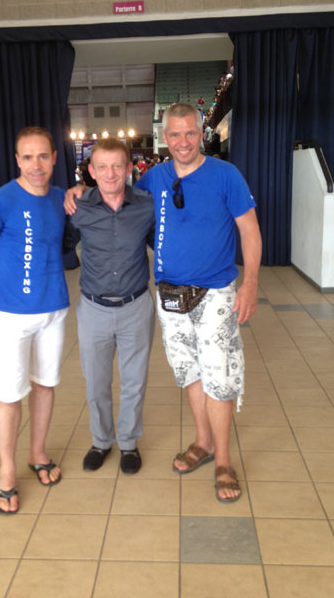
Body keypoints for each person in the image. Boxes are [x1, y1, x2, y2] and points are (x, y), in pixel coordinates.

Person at [136, 103, 262, 503]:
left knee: (219, 377)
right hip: (170, 296)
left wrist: (250, 284)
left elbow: (250, 231)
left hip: (216, 293)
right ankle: (203, 442)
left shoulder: (226, 175)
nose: (183, 142)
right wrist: (77, 192)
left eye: (190, 133)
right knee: (188, 371)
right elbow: (116, 199)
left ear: (202, 133)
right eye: (175, 134)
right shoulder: (153, 178)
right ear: (164, 137)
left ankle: (223, 459)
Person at [0, 126, 69, 515]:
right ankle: (7, 472)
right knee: (9, 394)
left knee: (45, 386)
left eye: (43, 156)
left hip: (54, 310)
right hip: (11, 315)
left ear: (54, 158)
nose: (36, 165)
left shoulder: (60, 198)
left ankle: (37, 453)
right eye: (27, 157)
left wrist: (79, 191)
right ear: (17, 160)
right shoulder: (1, 201)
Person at [64, 138, 155, 474]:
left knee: (134, 382)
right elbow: (58, 244)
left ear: (129, 168)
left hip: (136, 306)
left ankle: (128, 444)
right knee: (96, 382)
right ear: (90, 170)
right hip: (94, 310)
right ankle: (101, 441)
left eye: (117, 165)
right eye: (102, 166)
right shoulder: (78, 207)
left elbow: (164, 245)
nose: (110, 173)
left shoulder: (146, 205)